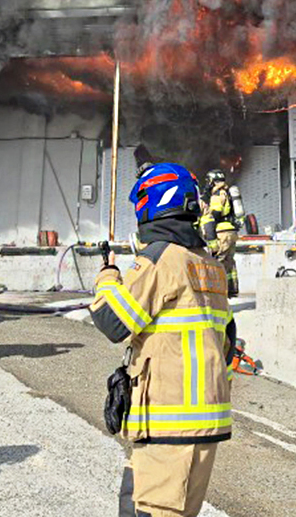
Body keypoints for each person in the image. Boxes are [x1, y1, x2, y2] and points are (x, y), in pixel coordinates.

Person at [90, 162, 235, 517]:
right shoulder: (210, 265)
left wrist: (108, 276)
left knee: (154, 511)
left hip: (168, 421)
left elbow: (111, 321)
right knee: (144, 499)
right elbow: (228, 338)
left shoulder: (159, 259)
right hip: (204, 420)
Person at [198, 169, 240, 297]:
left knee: (218, 262)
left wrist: (207, 216)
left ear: (212, 181)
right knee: (229, 261)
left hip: (222, 232)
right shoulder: (227, 191)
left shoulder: (217, 194)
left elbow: (216, 213)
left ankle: (218, 293)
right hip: (231, 231)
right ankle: (231, 289)